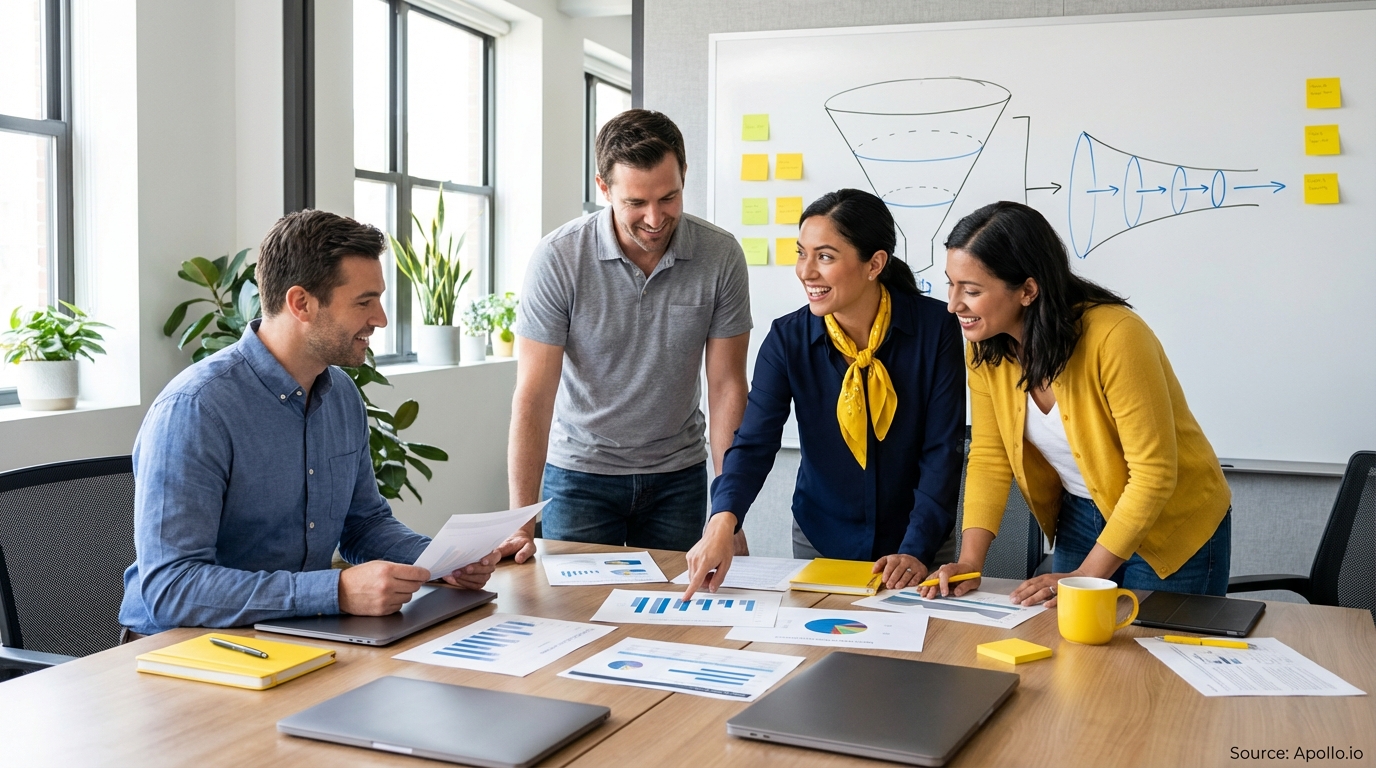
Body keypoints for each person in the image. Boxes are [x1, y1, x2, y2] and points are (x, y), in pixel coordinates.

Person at [119, 210, 498, 638]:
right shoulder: (196, 409)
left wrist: (439, 561)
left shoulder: (340, 395)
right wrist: (333, 591)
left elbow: (364, 524)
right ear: (301, 303)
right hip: (181, 648)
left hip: (291, 634)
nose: (381, 319)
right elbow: (172, 589)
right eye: (364, 301)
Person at [924, 201, 1232, 606]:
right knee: (1068, 651)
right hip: (1081, 517)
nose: (953, 304)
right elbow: (989, 457)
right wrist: (970, 561)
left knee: (1153, 660)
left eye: (972, 290)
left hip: (1169, 520)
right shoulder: (986, 348)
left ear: (1027, 290)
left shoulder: (1116, 336)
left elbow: (1154, 474)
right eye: (951, 284)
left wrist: (1085, 577)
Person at [682, 189, 965, 599]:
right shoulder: (787, 339)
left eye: (825, 257)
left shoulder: (935, 329)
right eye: (802, 253)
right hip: (821, 540)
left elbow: (942, 450)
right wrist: (723, 522)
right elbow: (754, 442)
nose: (806, 271)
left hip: (917, 546)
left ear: (875, 264)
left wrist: (916, 549)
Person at [497, 109, 753, 561]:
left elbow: (727, 385)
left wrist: (728, 511)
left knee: (678, 619)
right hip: (580, 476)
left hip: (678, 475)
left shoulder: (720, 255)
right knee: (573, 616)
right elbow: (534, 394)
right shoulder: (559, 258)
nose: (655, 218)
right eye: (636, 202)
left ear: (684, 176)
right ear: (603, 187)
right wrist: (520, 520)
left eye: (668, 197)